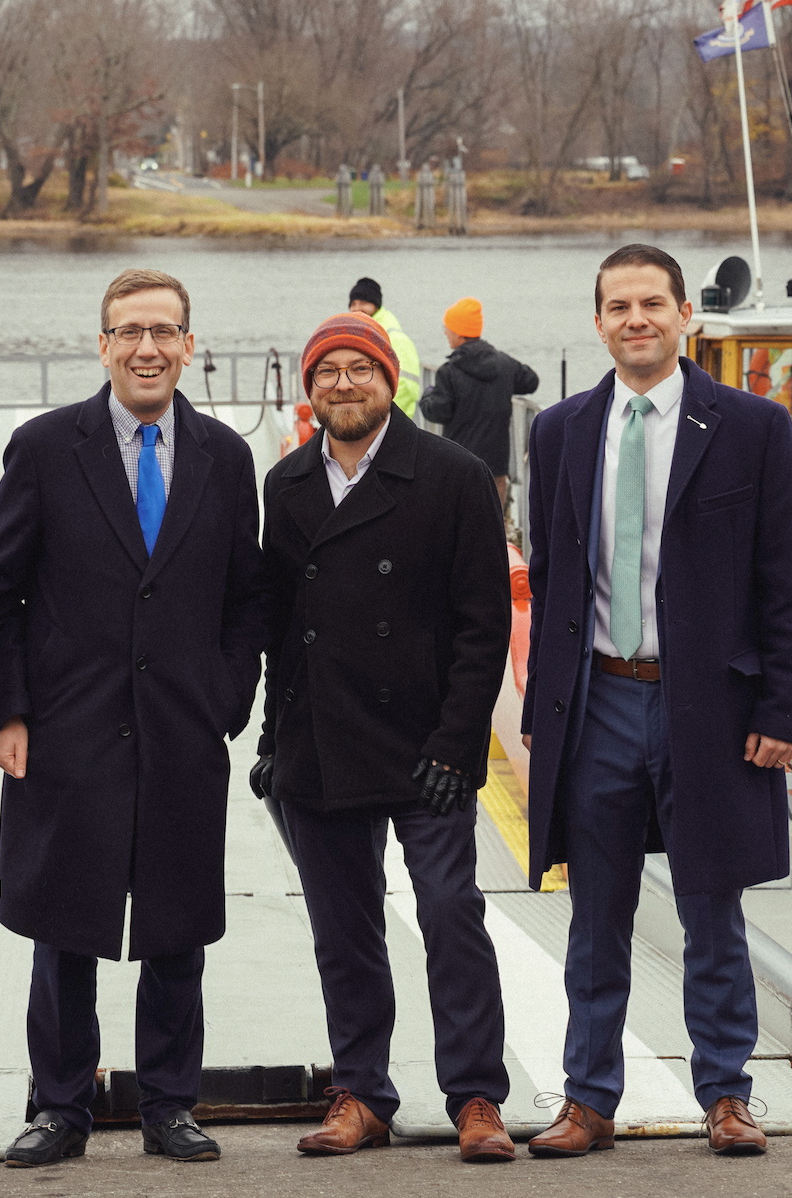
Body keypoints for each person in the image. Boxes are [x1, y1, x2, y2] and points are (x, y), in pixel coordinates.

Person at [519, 244, 792, 1159]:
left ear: (686, 314)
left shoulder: (752, 428)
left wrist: (779, 711)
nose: (636, 319)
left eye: (654, 303)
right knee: (594, 915)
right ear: (599, 321)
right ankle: (589, 1099)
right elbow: (554, 575)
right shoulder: (560, 431)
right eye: (619, 306)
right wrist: (542, 714)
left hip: (710, 711)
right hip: (599, 700)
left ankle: (726, 1094)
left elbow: (784, 581)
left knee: (711, 908)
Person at [0, 268, 270, 1168]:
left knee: (177, 927)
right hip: (70, 727)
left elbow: (245, 599)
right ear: (102, 346)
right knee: (65, 926)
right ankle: (60, 1106)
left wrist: (226, 696)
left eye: (164, 332)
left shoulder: (225, 456)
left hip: (183, 726)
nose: (147, 348)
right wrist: (11, 713)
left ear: (189, 345)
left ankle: (171, 1104)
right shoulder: (43, 446)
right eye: (129, 332)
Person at [249, 312, 515, 1164]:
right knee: (344, 925)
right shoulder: (287, 483)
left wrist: (455, 745)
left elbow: (483, 626)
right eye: (327, 372)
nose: (344, 384)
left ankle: (475, 1095)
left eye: (360, 369)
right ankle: (362, 1092)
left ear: (390, 380)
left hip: (425, 741)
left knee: (449, 911)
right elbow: (281, 626)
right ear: (311, 390)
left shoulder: (453, 476)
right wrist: (269, 736)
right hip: (320, 740)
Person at [418, 297, 539, 508]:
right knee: (492, 523)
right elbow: (530, 381)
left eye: (447, 328)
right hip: (497, 465)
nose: (445, 333)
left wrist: (428, 394)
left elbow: (438, 411)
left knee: (460, 521)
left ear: (458, 332)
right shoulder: (503, 363)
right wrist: (504, 384)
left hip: (459, 461)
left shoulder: (449, 372)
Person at [347, 277, 422, 419]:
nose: (356, 309)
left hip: (386, 423)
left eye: (363, 303)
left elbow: (406, 388)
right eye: (353, 304)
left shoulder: (394, 338)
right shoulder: (361, 334)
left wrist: (382, 419)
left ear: (376, 305)